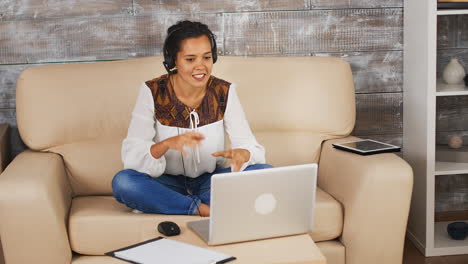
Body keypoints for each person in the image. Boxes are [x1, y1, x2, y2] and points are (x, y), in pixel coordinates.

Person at [112, 20, 272, 217]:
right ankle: (201, 209)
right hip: (166, 182)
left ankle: (172, 205)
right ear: (173, 62)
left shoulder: (225, 91)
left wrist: (244, 155)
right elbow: (133, 156)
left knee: (265, 172)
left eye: (206, 57)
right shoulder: (152, 91)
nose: (201, 66)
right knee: (124, 182)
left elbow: (249, 145)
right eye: (190, 59)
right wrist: (166, 144)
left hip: (210, 182)